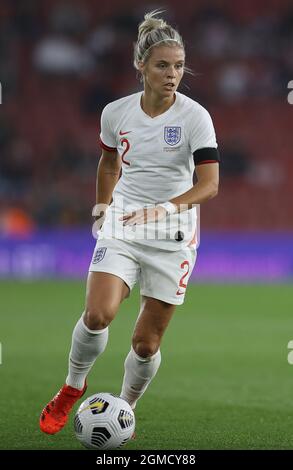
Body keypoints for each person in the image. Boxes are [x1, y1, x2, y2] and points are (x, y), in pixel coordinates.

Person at [40, 10, 220, 436]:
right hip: (123, 223)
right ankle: (71, 388)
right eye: (162, 65)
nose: (172, 74)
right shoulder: (116, 113)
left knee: (145, 343)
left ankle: (124, 407)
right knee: (98, 314)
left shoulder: (196, 117)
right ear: (141, 66)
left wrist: (166, 208)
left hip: (172, 234)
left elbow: (209, 185)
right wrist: (103, 207)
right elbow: (108, 162)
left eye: (178, 66)